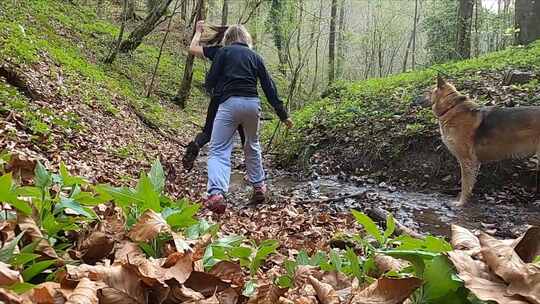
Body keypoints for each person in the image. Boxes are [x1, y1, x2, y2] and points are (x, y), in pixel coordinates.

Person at [204, 24, 293, 213]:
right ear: (246, 39)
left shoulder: (223, 53)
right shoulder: (255, 57)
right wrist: (283, 115)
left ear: (228, 38)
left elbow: (210, 81)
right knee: (252, 145)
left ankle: (217, 193)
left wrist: (215, 90)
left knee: (219, 149)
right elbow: (269, 87)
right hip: (252, 104)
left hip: (229, 103)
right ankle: (259, 186)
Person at [182, 21, 245, 171]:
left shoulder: (218, 51)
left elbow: (192, 48)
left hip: (218, 97)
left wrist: (198, 31)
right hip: (240, 97)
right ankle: (251, 165)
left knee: (207, 132)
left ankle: (196, 145)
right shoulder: (245, 54)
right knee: (244, 133)